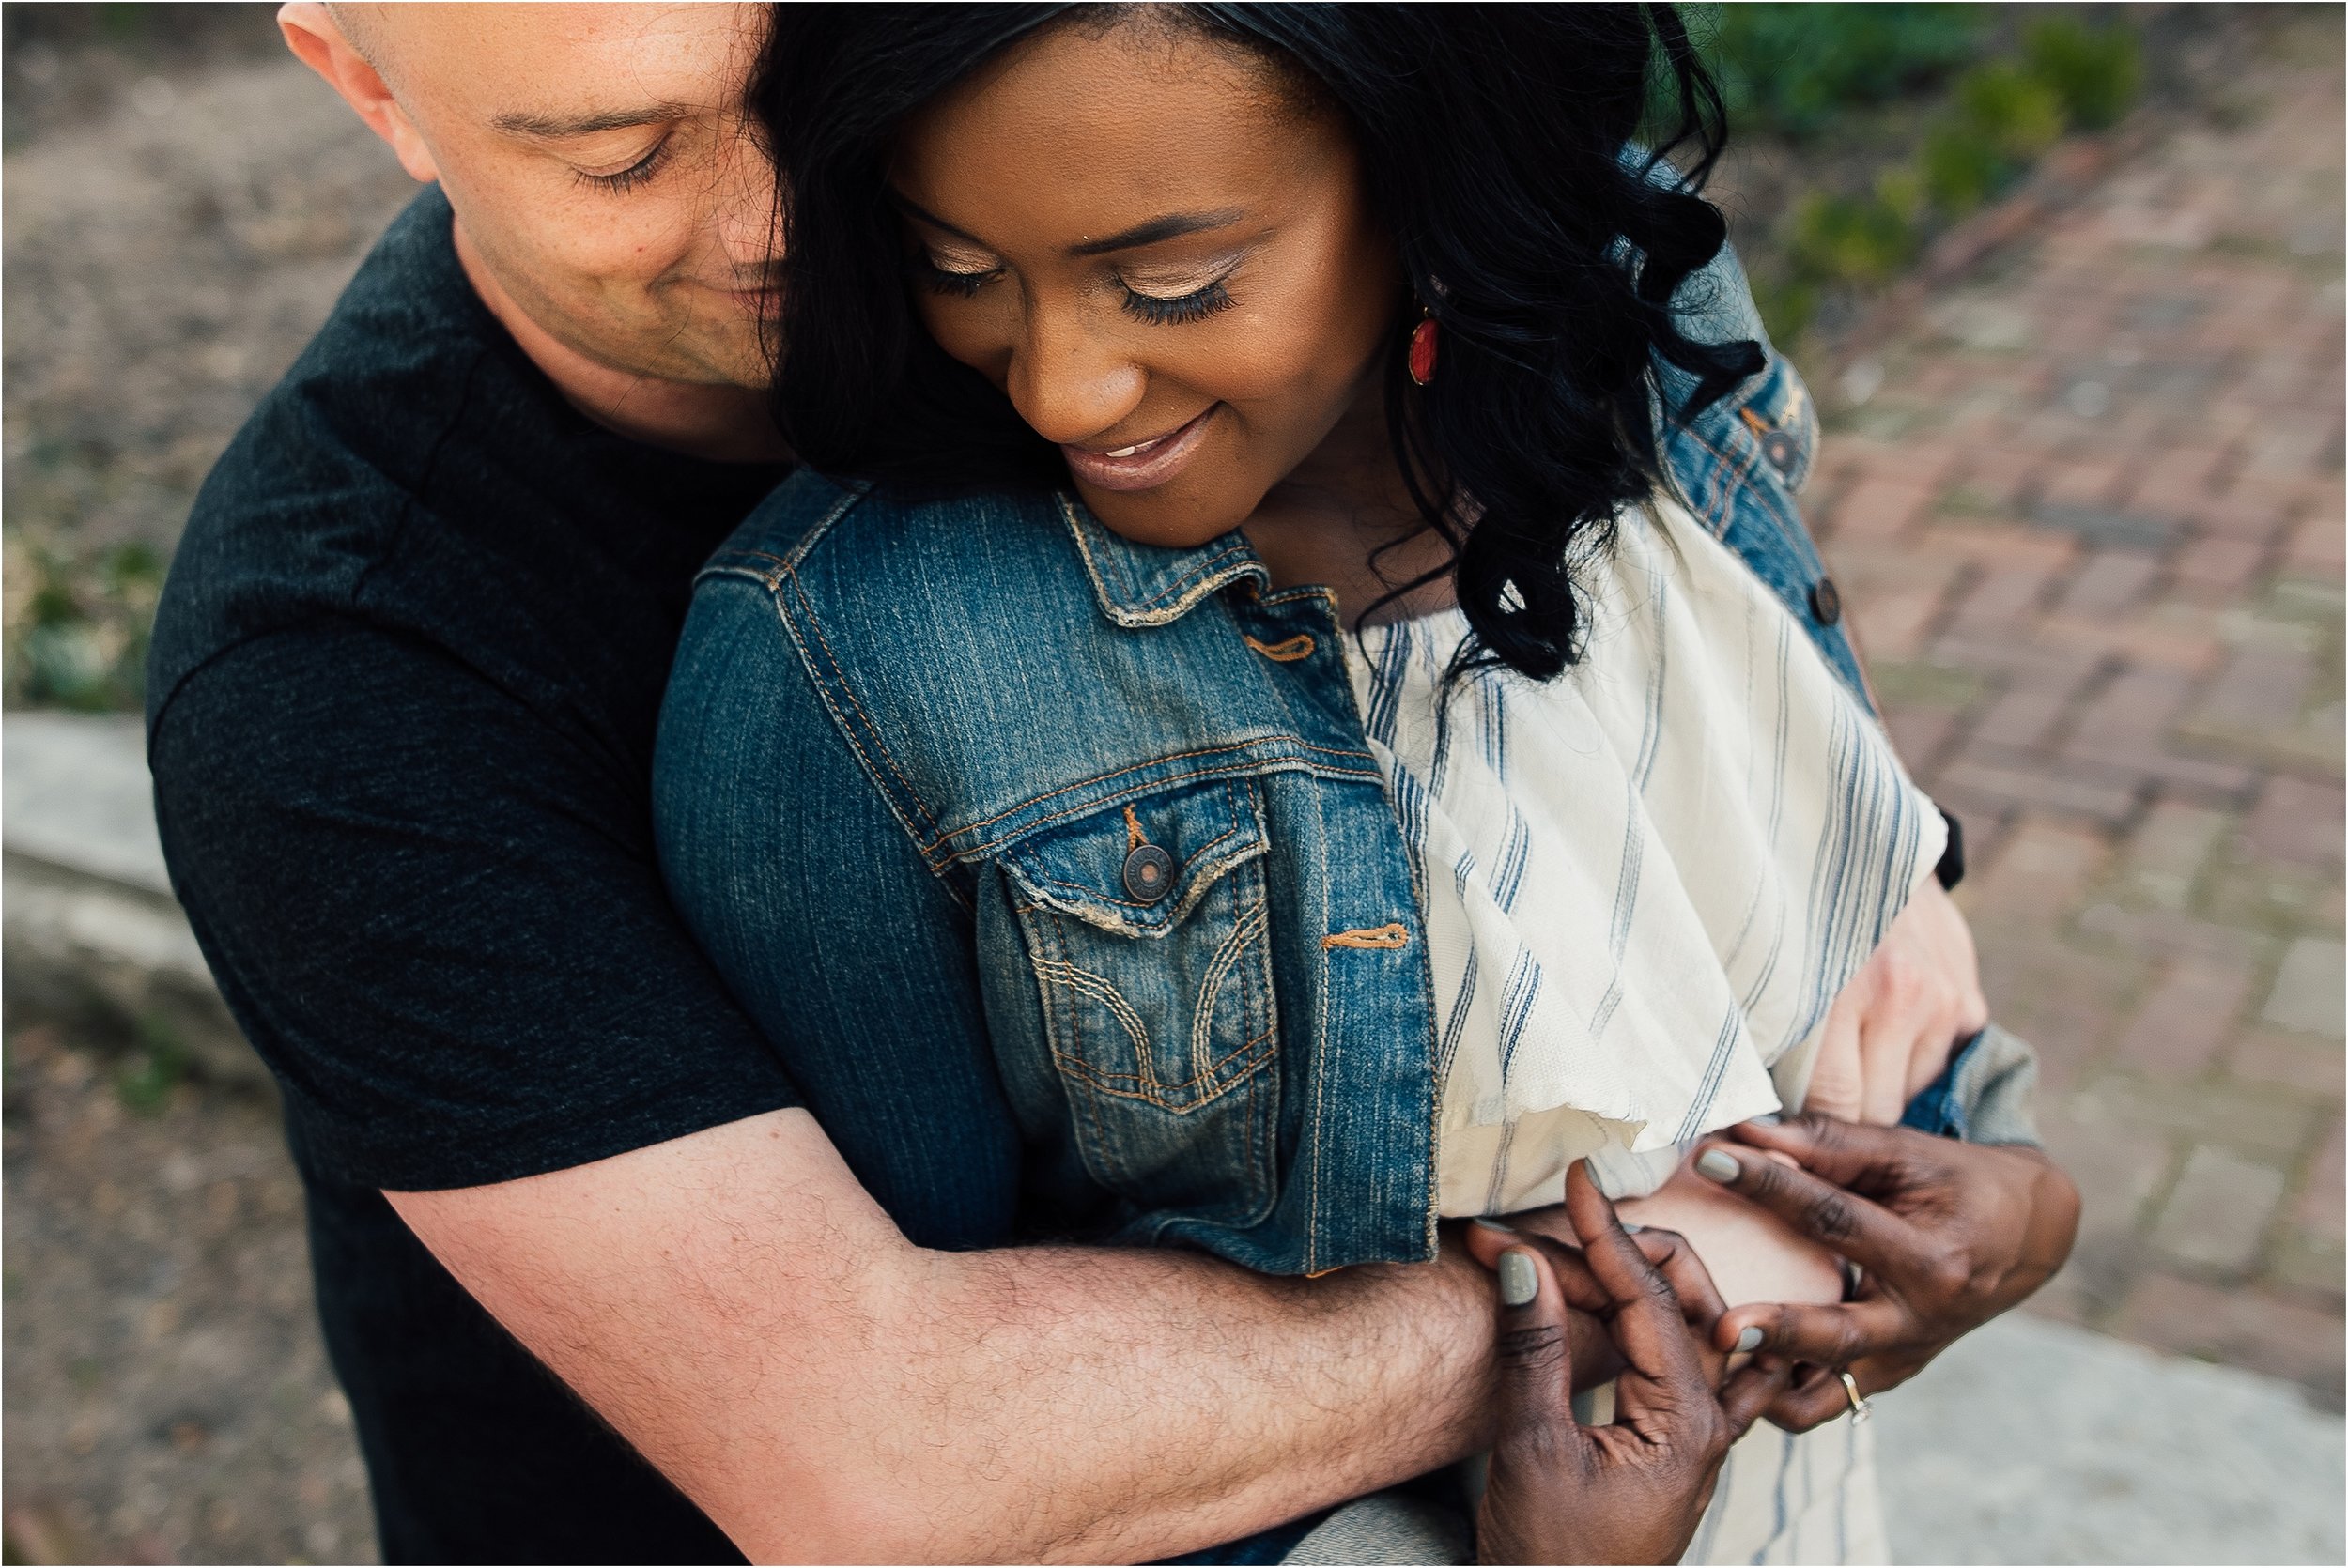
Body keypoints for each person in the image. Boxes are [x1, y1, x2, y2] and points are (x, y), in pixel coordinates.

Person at [143, 2, 2077, 1560]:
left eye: (831, 71)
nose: (793, 213)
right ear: (363, 85)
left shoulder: (1180, 244)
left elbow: (1645, 397)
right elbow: (886, 1465)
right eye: (625, 152)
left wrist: (1882, 853)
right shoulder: (337, 666)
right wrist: (1676, 1273)